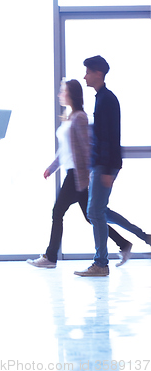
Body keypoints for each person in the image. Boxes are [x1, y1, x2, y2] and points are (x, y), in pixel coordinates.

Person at [27, 80, 151, 269]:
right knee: (94, 216)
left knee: (59, 212)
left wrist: (88, 175)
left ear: (71, 94)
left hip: (77, 174)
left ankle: (51, 257)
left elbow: (86, 148)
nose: (60, 94)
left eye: (63, 91)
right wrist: (52, 168)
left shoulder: (80, 118)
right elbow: (65, 150)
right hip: (73, 172)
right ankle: (126, 243)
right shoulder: (69, 117)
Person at [74, 55, 123, 276]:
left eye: (87, 72)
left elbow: (111, 137)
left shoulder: (107, 99)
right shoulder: (102, 98)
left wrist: (105, 169)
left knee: (95, 212)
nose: (85, 76)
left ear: (98, 74)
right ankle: (103, 260)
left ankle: (101, 264)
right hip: (102, 164)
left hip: (105, 165)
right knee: (98, 211)